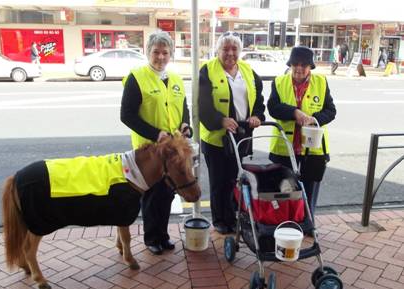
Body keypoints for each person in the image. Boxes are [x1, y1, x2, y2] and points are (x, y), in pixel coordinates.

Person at [120, 31, 191, 255]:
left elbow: (184, 109)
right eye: (156, 52)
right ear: (147, 52)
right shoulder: (137, 77)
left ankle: (163, 234)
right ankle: (152, 238)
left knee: (168, 193)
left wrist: (186, 125)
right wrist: (155, 133)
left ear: (171, 53)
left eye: (165, 52)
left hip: (172, 149)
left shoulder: (176, 79)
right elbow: (127, 115)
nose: (160, 57)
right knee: (152, 195)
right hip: (149, 151)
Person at [199, 31, 265, 234]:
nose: (230, 53)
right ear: (217, 51)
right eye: (225, 49)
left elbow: (259, 101)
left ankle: (232, 215)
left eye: (234, 49)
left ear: (240, 51)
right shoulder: (207, 71)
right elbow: (202, 105)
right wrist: (220, 120)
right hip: (217, 138)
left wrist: (257, 116)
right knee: (219, 181)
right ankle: (220, 220)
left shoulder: (248, 71)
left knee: (234, 179)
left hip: (241, 135)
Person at [267, 46, 336, 215]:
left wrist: (315, 119)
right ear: (290, 65)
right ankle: (285, 222)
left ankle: (307, 225)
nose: (299, 68)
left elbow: (331, 110)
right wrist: (294, 112)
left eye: (303, 65)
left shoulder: (321, 82)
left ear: (310, 67)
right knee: (285, 190)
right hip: (284, 148)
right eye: (295, 64)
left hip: (313, 149)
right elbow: (273, 108)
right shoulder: (279, 82)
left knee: (309, 192)